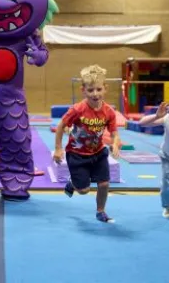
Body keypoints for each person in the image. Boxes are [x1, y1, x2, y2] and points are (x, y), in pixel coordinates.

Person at [53, 65, 120, 223]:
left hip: (98, 153)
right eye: (90, 90)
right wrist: (58, 148)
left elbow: (115, 133)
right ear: (83, 90)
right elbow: (61, 126)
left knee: (104, 183)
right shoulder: (77, 109)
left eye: (98, 89)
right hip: (77, 154)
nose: (95, 94)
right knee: (83, 190)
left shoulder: (109, 111)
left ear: (105, 88)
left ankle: (100, 211)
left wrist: (115, 144)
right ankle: (73, 183)